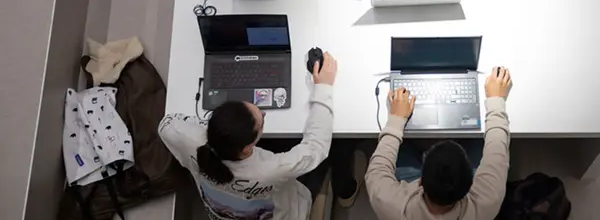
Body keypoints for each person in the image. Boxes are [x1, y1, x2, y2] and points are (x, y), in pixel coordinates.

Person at [158, 52, 349, 220]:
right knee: (337, 149)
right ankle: (346, 188)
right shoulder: (271, 169)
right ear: (248, 147)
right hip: (285, 213)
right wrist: (324, 88)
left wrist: (204, 126)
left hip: (223, 212)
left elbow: (165, 124)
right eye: (262, 121)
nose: (264, 114)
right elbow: (316, 147)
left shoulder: (188, 139)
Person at [365, 67, 513, 219]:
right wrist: (496, 99)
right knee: (478, 143)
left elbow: (377, 170)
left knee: (403, 147)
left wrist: (396, 119)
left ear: (420, 181)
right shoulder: (487, 201)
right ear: (471, 184)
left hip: (411, 185)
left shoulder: (392, 206)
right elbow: (498, 149)